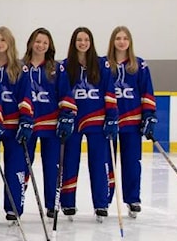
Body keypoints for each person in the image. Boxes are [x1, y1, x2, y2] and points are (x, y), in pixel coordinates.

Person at [58, 27, 118, 221]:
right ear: (73, 43)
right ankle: (68, 203)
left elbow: (109, 92)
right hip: (73, 122)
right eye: (79, 40)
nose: (82, 43)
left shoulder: (102, 65)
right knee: (69, 162)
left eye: (86, 40)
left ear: (91, 42)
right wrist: (65, 116)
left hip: (97, 121)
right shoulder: (65, 67)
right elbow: (63, 93)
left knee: (99, 163)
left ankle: (101, 204)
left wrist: (111, 117)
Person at [107, 26, 157, 217]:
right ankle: (104, 201)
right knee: (107, 163)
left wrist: (149, 115)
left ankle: (132, 199)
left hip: (132, 123)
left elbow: (147, 92)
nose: (121, 41)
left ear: (130, 42)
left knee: (132, 163)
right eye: (118, 38)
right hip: (109, 123)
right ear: (113, 41)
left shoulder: (139, 65)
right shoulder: (105, 65)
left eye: (125, 38)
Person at [0, 26, 33, 224]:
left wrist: (25, 121)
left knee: (15, 168)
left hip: (14, 127)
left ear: (10, 43)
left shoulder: (20, 68)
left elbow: (26, 97)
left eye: (2, 40)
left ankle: (13, 207)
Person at [22, 28, 64, 219]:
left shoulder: (56, 68)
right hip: (26, 125)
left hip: (51, 126)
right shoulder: (20, 67)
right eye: (38, 41)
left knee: (52, 166)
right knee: (22, 165)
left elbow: (65, 95)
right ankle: (17, 204)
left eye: (45, 43)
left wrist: (66, 116)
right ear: (31, 43)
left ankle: (51, 204)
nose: (41, 45)